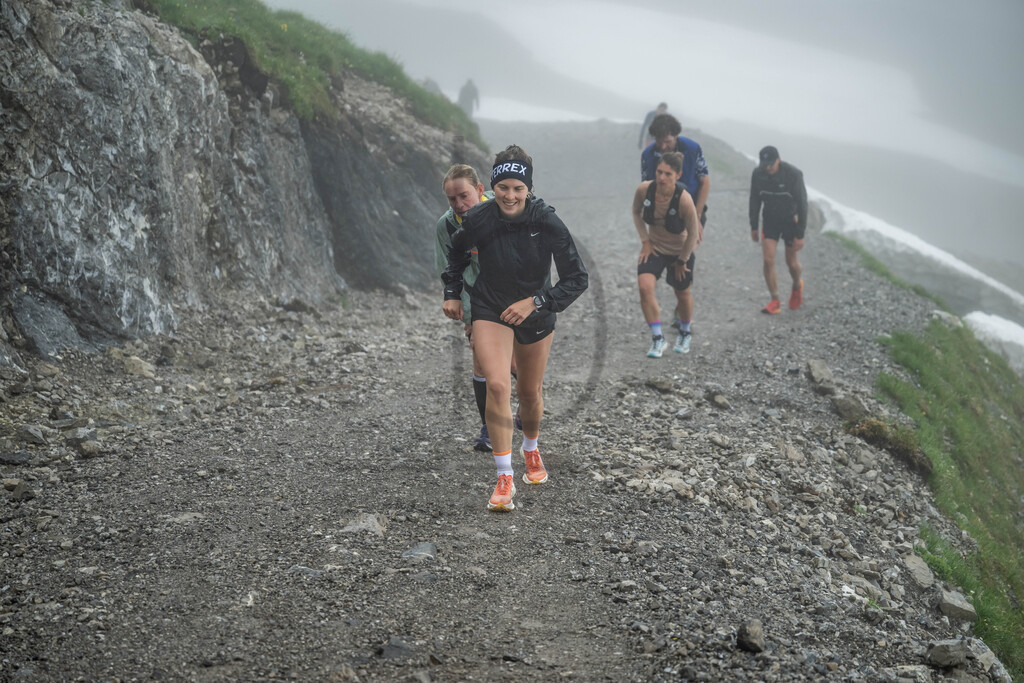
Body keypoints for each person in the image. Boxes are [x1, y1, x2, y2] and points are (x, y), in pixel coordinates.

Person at [443, 145, 588, 511]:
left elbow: (577, 278)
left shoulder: (546, 221)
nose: (509, 195)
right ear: (493, 186)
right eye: (503, 187)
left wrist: (536, 302)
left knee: (529, 394)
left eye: (517, 188)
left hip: (536, 312)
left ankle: (532, 448)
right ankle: (504, 476)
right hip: (491, 307)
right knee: (496, 384)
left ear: (529, 189)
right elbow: (457, 252)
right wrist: (454, 293)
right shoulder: (479, 218)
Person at [434, 165, 494, 451]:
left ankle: (528, 404)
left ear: (480, 190)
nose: (459, 204)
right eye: (452, 199)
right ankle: (489, 427)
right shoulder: (446, 226)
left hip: (516, 294)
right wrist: (465, 311)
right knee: (481, 357)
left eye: (464, 196)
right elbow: (449, 271)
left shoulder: (505, 208)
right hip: (477, 297)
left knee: (516, 364)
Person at [639, 113, 710, 348]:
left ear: (676, 136)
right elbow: (648, 190)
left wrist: (698, 217)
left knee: (685, 259)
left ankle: (681, 310)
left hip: (691, 209)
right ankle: (677, 309)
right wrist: (648, 236)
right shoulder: (648, 155)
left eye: (668, 141)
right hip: (661, 214)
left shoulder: (691, 148)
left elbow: (704, 181)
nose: (663, 145)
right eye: (659, 140)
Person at [631, 152, 700, 357]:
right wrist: (645, 240)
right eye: (659, 172)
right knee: (644, 287)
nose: (661, 178)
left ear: (677, 176)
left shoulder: (684, 200)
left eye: (668, 174)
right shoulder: (645, 190)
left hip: (681, 251)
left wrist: (682, 261)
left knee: (682, 293)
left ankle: (685, 331)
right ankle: (658, 338)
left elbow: (694, 234)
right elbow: (636, 212)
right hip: (655, 248)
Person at [748, 145, 808, 314]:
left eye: (770, 165)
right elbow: (754, 199)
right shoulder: (758, 174)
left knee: (792, 263)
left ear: (778, 160)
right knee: (768, 260)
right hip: (770, 220)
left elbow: (803, 205)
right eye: (764, 164)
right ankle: (775, 301)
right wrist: (753, 225)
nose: (767, 168)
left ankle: (797, 285)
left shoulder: (793, 175)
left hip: (791, 220)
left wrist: (800, 234)